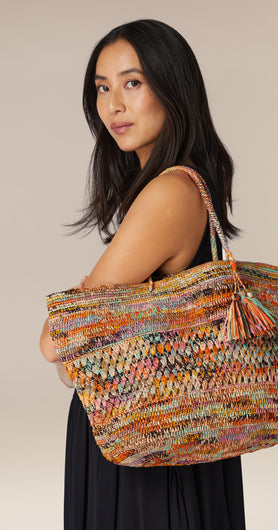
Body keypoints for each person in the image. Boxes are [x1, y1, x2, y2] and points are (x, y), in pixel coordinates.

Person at [40, 19, 246, 530]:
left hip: (143, 439)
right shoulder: (192, 180)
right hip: (179, 428)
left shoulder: (168, 193)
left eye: (132, 83)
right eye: (102, 88)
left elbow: (54, 343)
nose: (113, 105)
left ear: (173, 87)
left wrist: (83, 313)